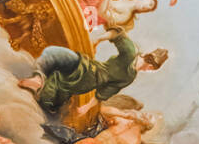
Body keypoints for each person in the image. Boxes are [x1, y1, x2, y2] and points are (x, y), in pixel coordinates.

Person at [19, 39, 168, 118]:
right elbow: (102, 94)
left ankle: (39, 80)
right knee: (54, 99)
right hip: (86, 83)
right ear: (152, 67)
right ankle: (41, 84)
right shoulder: (129, 73)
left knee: (52, 54)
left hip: (85, 67)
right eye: (152, 68)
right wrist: (85, 108)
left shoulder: (130, 54)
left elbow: (116, 34)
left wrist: (99, 39)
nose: (149, 70)